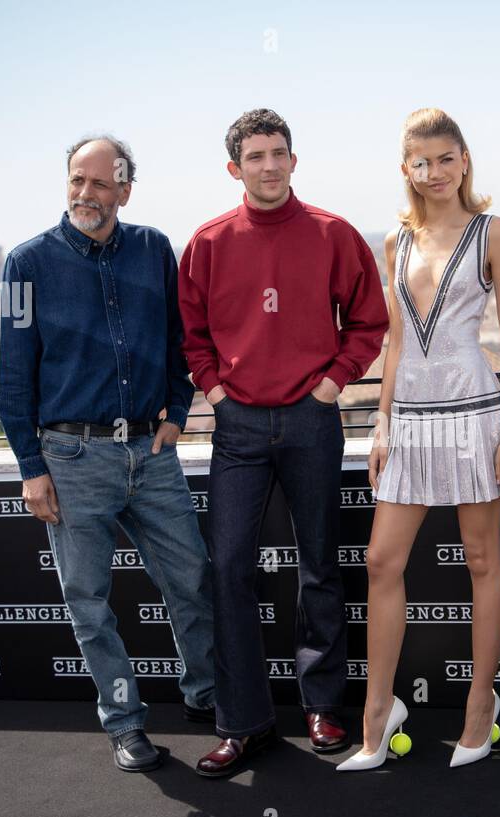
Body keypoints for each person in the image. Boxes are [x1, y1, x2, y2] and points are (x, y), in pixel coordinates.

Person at [179, 109, 390, 779]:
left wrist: (330, 386)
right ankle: (244, 723)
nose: (269, 165)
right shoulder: (208, 243)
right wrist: (213, 391)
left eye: (279, 153)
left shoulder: (333, 234)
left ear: (294, 161)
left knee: (319, 565)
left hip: (311, 419)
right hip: (237, 425)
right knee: (229, 569)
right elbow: (190, 334)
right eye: (256, 155)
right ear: (234, 168)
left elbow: (369, 321)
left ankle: (323, 706)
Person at [0, 134, 216, 773]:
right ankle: (124, 725)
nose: (85, 194)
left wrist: (176, 410)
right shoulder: (24, 263)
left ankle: (205, 696)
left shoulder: (154, 250)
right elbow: (13, 376)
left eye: (99, 183)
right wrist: (31, 468)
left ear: (124, 187)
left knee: (193, 580)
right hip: (69, 458)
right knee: (89, 604)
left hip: (151, 452)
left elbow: (181, 341)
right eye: (75, 181)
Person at [337, 108, 500, 772]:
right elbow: (393, 344)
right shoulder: (394, 241)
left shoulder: (494, 234)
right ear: (406, 170)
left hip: (477, 415)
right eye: (421, 162)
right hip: (412, 422)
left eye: (446, 158)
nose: (435, 172)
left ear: (465, 159)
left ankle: (481, 709)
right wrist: (382, 424)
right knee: (381, 562)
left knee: (483, 562)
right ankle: (378, 711)